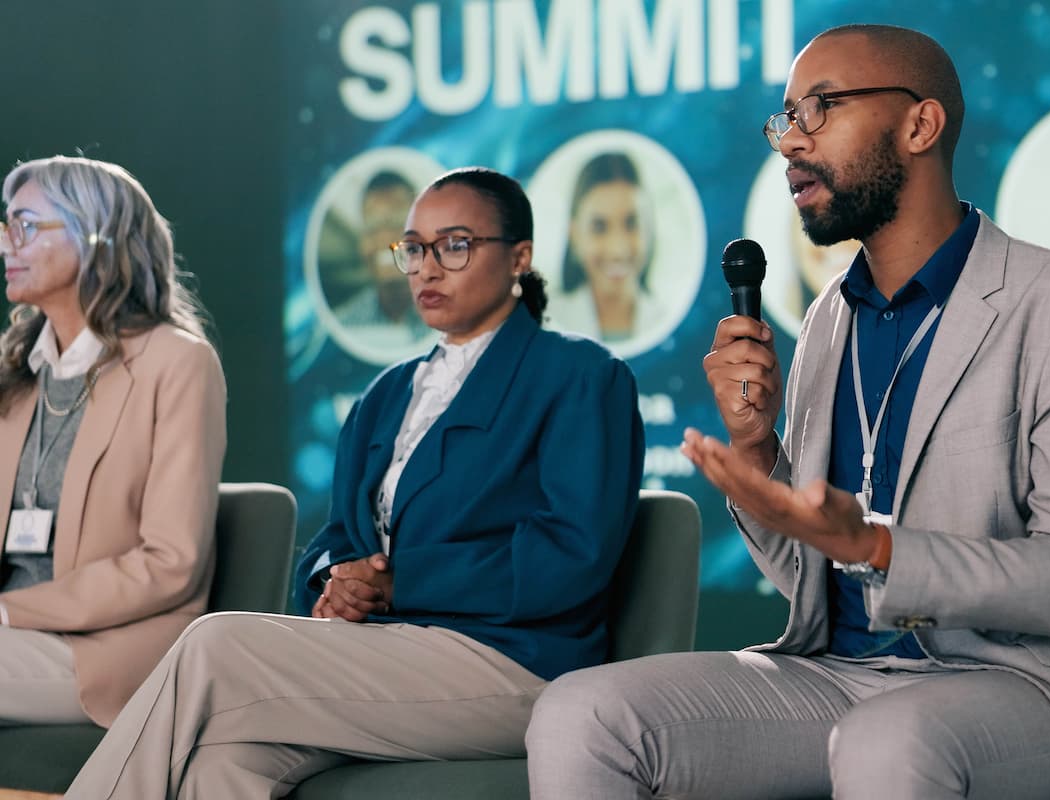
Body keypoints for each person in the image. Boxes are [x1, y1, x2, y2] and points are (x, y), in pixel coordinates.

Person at [526, 24, 1050, 799]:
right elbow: (803, 573)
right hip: (837, 673)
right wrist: (757, 451)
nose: (791, 141)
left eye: (821, 108)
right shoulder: (829, 318)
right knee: (580, 713)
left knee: (888, 739)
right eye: (786, 117)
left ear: (919, 125)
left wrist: (879, 547)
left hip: (1022, 684)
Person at [65, 167, 645, 798]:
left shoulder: (580, 375)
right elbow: (338, 539)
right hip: (388, 655)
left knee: (216, 644)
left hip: (516, 664)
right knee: (223, 762)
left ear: (520, 257)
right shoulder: (387, 393)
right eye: (413, 249)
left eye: (455, 246)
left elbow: (571, 555)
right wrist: (335, 588)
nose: (427, 269)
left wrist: (400, 583)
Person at [0, 156, 226, 728]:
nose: (6, 243)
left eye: (25, 225)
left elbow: (171, 562)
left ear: (95, 237)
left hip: (106, 647)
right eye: (6, 224)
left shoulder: (178, 362)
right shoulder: (17, 371)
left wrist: (8, 611)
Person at [553, 152, 661, 343]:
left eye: (631, 223)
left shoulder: (666, 319)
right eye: (599, 227)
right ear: (575, 235)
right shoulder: (546, 320)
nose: (617, 250)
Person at [331, 170, 427, 344]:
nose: (384, 238)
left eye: (398, 222)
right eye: (372, 227)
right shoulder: (343, 326)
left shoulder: (456, 318)